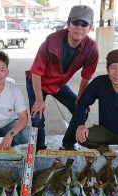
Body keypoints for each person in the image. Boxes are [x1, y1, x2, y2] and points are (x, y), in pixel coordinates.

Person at [26, 5, 98, 151]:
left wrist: (81, 97)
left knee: (82, 109)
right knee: (37, 117)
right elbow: (36, 72)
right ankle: (40, 149)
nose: (79, 27)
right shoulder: (50, 43)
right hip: (37, 81)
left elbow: (86, 76)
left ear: (90, 27)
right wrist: (39, 100)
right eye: (75, 22)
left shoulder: (91, 48)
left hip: (58, 84)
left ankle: (68, 143)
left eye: (84, 24)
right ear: (68, 24)